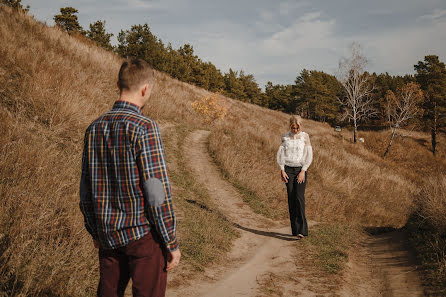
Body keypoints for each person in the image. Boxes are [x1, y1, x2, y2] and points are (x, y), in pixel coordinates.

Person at [79, 58, 180, 297]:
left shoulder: (94, 128)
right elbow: (156, 195)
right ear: (146, 89)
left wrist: (95, 230)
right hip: (141, 236)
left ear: (117, 84)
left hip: (107, 234)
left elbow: (85, 192)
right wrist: (170, 242)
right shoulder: (145, 127)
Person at [276, 115, 313, 238]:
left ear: (300, 126)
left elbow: (309, 155)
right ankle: (295, 230)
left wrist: (303, 170)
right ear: (290, 126)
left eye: (297, 128)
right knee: (291, 198)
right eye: (293, 128)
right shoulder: (285, 137)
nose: (295, 130)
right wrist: (282, 169)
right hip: (288, 170)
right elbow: (280, 154)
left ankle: (303, 230)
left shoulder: (305, 136)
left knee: (299, 197)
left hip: (300, 170)